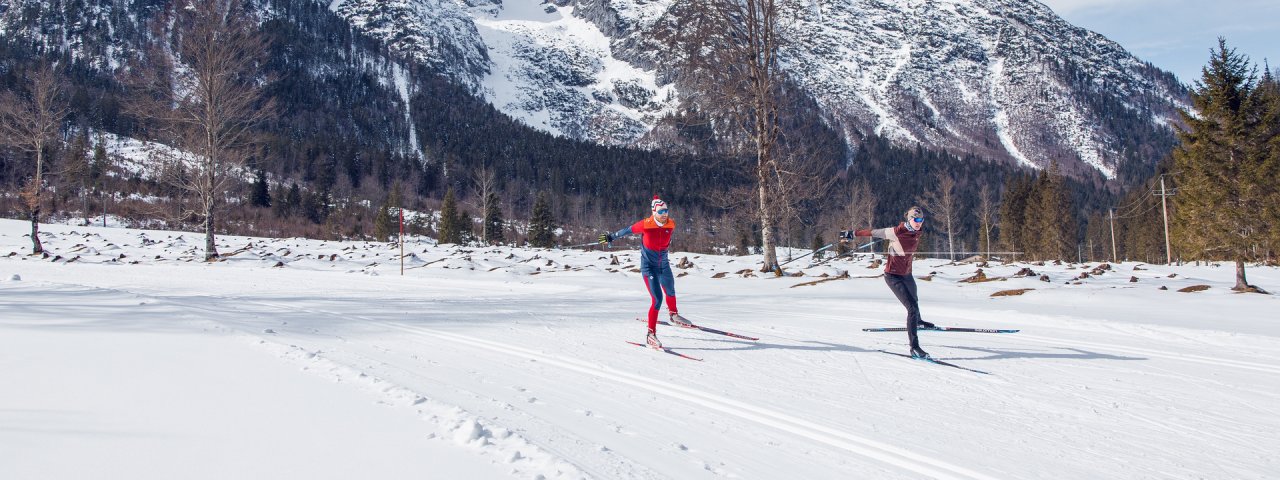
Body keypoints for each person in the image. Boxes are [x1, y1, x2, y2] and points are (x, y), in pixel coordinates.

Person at [841, 206, 937, 359]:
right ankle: (914, 347)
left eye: (921, 220)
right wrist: (853, 233)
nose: (919, 222)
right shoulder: (896, 232)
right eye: (916, 219)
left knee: (915, 299)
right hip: (893, 276)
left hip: (907, 274)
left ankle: (918, 322)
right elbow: (874, 232)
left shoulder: (917, 231)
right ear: (909, 219)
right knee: (911, 307)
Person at [599, 195, 692, 349]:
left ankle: (673, 315)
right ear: (654, 212)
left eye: (666, 210)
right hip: (649, 268)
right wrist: (610, 237)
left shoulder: (671, 224)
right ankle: (650, 334)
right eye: (661, 211)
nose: (665, 214)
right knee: (657, 299)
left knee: (670, 290)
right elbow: (627, 231)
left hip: (664, 265)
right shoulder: (645, 225)